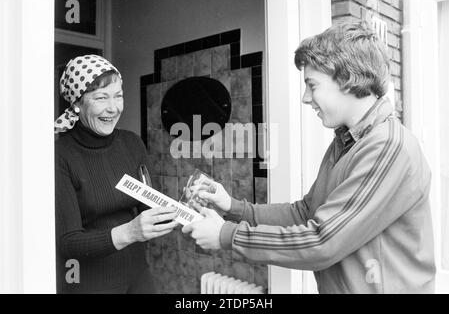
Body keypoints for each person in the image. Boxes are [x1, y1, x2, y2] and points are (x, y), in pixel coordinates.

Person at [182, 20, 436, 294]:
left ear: (347, 80)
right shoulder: (346, 142)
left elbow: (322, 241)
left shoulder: (387, 147)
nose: (305, 97)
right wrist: (233, 206)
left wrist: (226, 235)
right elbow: (305, 212)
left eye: (312, 85)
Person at [55, 55, 178, 293]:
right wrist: (130, 231)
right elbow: (68, 243)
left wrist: (184, 210)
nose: (113, 108)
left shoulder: (132, 143)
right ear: (77, 104)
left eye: (118, 95)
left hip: (138, 273)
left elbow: (150, 209)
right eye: (101, 98)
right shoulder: (60, 154)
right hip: (90, 282)